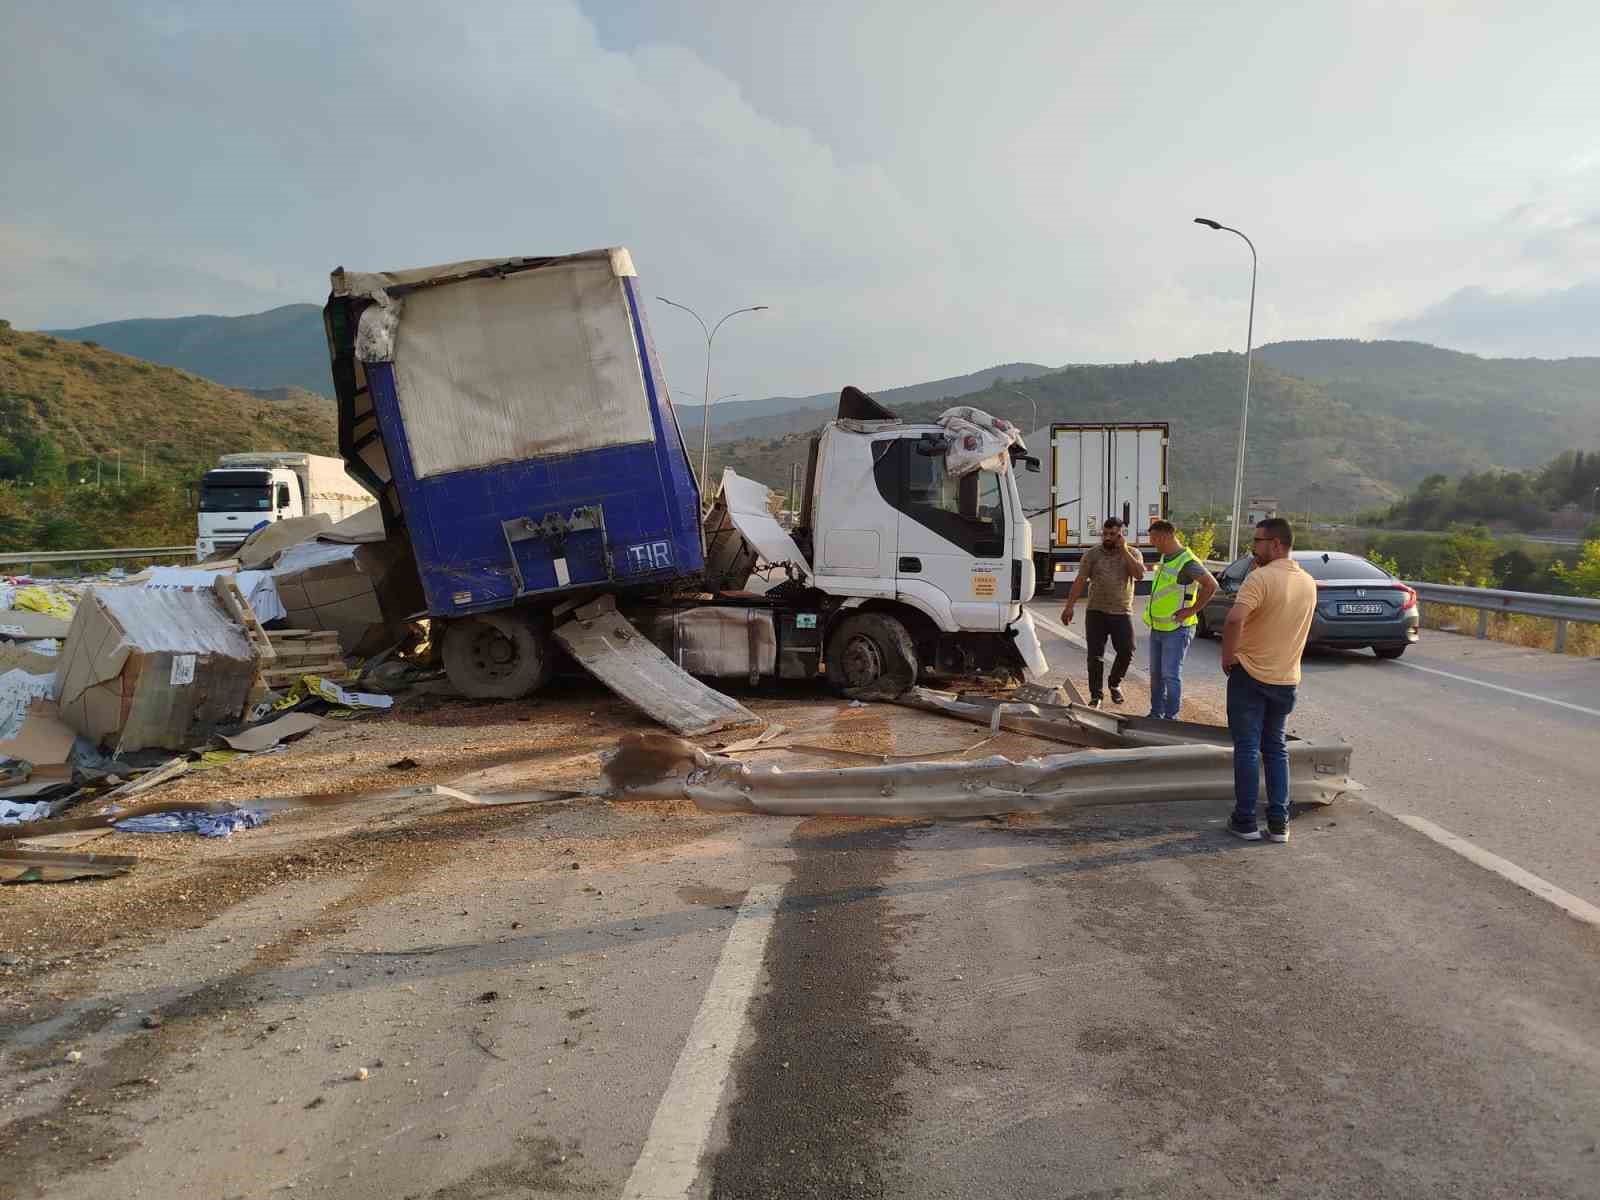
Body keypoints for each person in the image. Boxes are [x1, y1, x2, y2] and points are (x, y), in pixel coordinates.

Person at [1220, 517, 1317, 843]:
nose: (1253, 547)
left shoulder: (1259, 579)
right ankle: (1279, 823)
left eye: (1258, 541)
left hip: (1250, 674)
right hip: (1286, 678)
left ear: (1276, 544)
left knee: (1247, 748)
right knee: (1276, 749)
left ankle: (1245, 820)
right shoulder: (1307, 582)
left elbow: (1234, 619)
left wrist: (1228, 656)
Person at [1060, 517, 1145, 707]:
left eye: (1112, 534)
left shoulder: (1133, 553)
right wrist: (1069, 606)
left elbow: (1139, 575)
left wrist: (1123, 550)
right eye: (1104, 534)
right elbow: (1080, 580)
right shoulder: (1092, 554)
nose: (1107, 537)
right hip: (1095, 611)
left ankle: (1114, 684)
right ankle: (1096, 696)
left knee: (1126, 650)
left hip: (1122, 611)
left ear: (1121, 534)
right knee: (1095, 656)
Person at [1141, 519, 1217, 720]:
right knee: (1156, 676)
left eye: (1154, 539)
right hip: (1158, 627)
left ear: (1165, 536)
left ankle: (1171, 718)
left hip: (1177, 628)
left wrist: (1192, 610)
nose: (1153, 543)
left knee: (1170, 676)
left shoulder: (1188, 562)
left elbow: (1211, 585)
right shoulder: (1166, 557)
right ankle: (1156, 714)